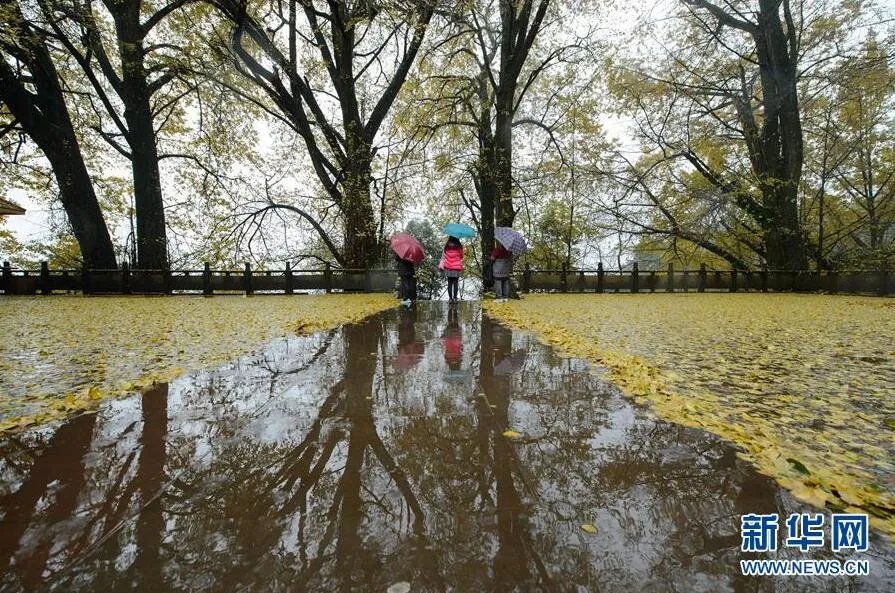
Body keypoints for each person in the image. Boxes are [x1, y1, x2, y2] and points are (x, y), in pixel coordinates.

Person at [440, 236, 463, 302]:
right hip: (456, 267)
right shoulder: (459, 246)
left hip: (448, 267)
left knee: (449, 283)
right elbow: (461, 256)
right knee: (456, 283)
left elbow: (444, 255)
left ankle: (450, 299)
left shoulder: (446, 246)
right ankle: (455, 299)